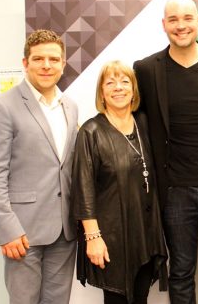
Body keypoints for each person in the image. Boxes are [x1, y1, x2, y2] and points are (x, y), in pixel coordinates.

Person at [133, 0, 198, 304]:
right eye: (174, 20)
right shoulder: (147, 69)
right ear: (164, 25)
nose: (182, 26)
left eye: (188, 18)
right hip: (175, 190)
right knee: (180, 272)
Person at [0, 29, 78, 304]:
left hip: (64, 231)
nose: (46, 65)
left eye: (53, 59)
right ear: (25, 63)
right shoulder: (2, 107)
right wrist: (6, 229)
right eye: (38, 59)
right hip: (22, 233)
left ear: (63, 63)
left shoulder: (70, 107)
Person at [71, 61, 168, 304]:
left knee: (141, 298)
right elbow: (83, 189)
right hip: (112, 237)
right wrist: (93, 238)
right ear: (101, 92)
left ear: (134, 90)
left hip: (145, 234)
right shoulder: (91, 132)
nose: (118, 88)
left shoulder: (144, 124)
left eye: (125, 81)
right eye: (110, 82)